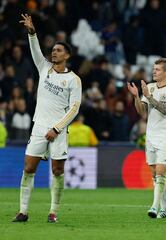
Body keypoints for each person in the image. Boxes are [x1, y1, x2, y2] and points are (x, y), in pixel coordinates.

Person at [13, 14, 81, 223]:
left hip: (58, 131)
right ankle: (23, 211)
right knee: (29, 168)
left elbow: (74, 108)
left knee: (57, 170)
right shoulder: (44, 69)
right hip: (39, 127)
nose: (54, 52)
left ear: (67, 55)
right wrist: (32, 32)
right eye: (53, 49)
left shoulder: (73, 79)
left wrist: (57, 128)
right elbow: (35, 50)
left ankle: (53, 212)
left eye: (59, 50)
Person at [127, 58, 166, 219]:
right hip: (150, 136)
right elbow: (142, 112)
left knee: (160, 172)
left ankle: (154, 207)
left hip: (165, 136)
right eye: (154, 69)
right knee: (154, 174)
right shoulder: (150, 87)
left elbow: (165, 109)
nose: (154, 71)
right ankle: (164, 208)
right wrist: (137, 97)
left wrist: (149, 97)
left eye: (157, 69)